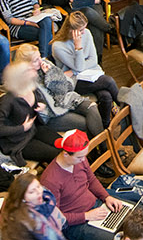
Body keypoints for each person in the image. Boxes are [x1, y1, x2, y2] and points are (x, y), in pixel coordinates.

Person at [50, 11, 121, 145]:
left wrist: (75, 69)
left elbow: (94, 60)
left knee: (106, 96)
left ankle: (106, 133)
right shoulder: (58, 46)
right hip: (74, 83)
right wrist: (78, 47)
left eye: (84, 28)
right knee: (109, 81)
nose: (84, 32)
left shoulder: (87, 33)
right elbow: (81, 65)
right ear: (71, 30)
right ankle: (124, 109)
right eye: (80, 30)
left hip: (92, 74)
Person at [0, 60, 60, 167]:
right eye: (28, 70)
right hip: (19, 142)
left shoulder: (31, 87)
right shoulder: (8, 101)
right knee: (57, 155)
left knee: (64, 144)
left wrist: (42, 104)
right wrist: (22, 128)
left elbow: (39, 98)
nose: (33, 70)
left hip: (34, 130)